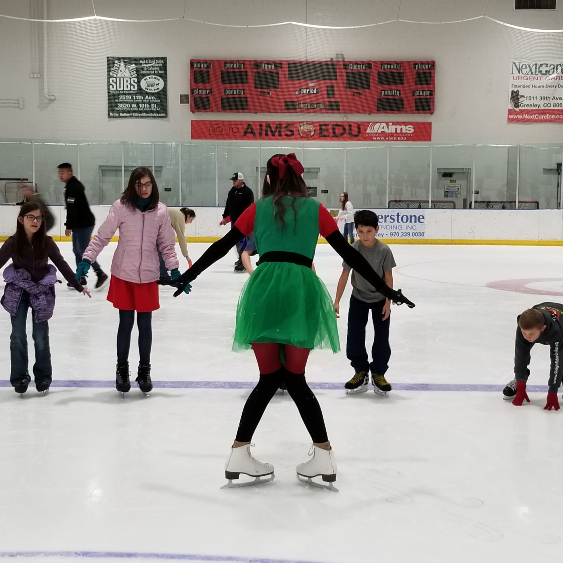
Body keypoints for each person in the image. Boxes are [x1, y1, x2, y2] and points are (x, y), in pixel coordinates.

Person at [165, 153, 415, 490]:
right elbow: (351, 254)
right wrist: (386, 287)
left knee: (270, 377)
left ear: (271, 179)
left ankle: (240, 453)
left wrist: (187, 275)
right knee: (294, 378)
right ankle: (323, 455)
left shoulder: (258, 209)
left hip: (264, 292)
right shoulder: (317, 210)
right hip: (300, 292)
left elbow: (223, 245)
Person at [77, 167, 185, 396]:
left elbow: (167, 245)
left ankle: (144, 371)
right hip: (124, 274)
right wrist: (87, 259)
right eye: (139, 185)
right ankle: (122, 370)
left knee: (145, 326)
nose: (144, 189)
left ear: (153, 185)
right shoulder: (121, 208)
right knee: (125, 324)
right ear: (132, 185)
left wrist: (174, 271)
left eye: (147, 184)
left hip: (147, 276)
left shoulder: (161, 212)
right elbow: (102, 236)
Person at [0, 202, 90, 395]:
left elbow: (62, 264)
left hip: (41, 293)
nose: (35, 221)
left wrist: (79, 285)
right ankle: (20, 377)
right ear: (21, 219)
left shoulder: (47, 242)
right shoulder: (13, 243)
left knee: (40, 336)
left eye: (39, 218)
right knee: (18, 335)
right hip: (19, 292)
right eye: (31, 217)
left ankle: (43, 377)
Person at [334, 210, 396, 396]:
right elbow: (344, 275)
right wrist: (336, 300)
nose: (365, 236)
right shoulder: (354, 249)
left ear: (376, 229)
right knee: (354, 336)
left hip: (380, 300)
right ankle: (360, 372)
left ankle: (378, 373)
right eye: (361, 232)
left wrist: (388, 302)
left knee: (381, 338)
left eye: (369, 231)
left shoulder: (384, 250)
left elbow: (389, 277)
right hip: (358, 298)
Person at [504, 302, 563, 411]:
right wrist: (520, 383)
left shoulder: (555, 330)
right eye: (524, 333)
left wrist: (553, 390)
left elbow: (557, 359)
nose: (527, 337)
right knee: (522, 352)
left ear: (542, 328)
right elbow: (520, 356)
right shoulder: (523, 326)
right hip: (539, 317)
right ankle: (518, 380)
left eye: (531, 334)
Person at [61, 163, 108, 289]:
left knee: (82, 251)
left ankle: (100, 273)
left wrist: (69, 226)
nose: (60, 175)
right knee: (78, 251)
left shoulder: (73, 187)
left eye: (63, 172)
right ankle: (80, 278)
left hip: (84, 223)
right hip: (79, 223)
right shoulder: (71, 186)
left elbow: (72, 209)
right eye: (59, 173)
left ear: (69, 173)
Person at [220, 172, 254, 271]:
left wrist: (246, 219)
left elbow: (249, 207)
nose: (233, 182)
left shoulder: (247, 192)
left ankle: (244, 261)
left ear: (241, 180)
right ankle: (241, 259)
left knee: (245, 241)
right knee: (237, 242)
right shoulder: (232, 191)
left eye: (235, 180)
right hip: (235, 222)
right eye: (233, 180)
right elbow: (228, 204)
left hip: (244, 221)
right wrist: (225, 216)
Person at [159, 206, 196, 282]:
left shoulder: (177, 214)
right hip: (154, 225)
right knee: (161, 249)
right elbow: (181, 237)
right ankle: (162, 274)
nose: (190, 222)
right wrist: (186, 255)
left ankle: (163, 272)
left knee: (161, 248)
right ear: (188, 215)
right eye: (191, 219)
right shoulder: (180, 218)